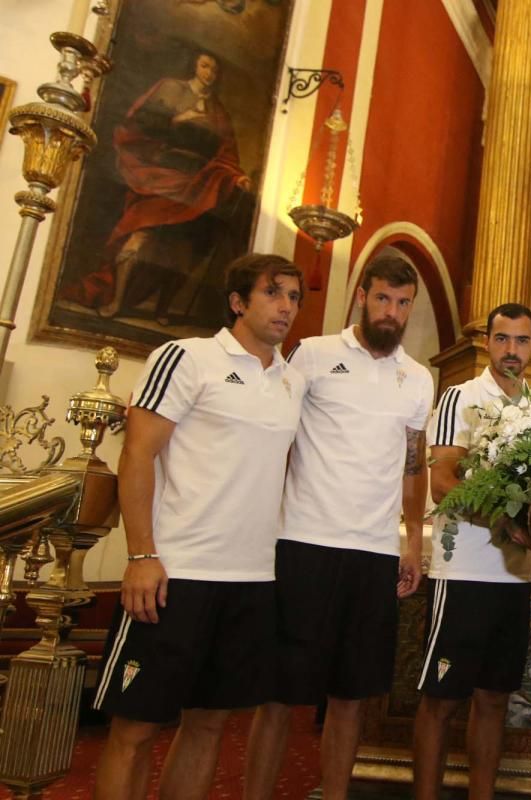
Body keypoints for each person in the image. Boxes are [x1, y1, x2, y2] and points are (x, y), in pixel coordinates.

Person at [92, 253, 305, 800]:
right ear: (238, 301)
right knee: (135, 728)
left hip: (252, 579)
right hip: (175, 574)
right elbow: (136, 456)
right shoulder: (186, 357)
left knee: (209, 723)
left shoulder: (293, 381)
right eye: (273, 293)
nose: (286, 307)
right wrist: (141, 556)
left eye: (295, 297)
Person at [243, 254, 434, 800]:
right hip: (304, 544)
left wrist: (413, 541)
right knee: (280, 694)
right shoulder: (314, 354)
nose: (391, 312)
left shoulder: (418, 379)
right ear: (361, 297)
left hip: (373, 554)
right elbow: (274, 436)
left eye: (402, 303)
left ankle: (333, 794)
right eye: (382, 299)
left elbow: (413, 466)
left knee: (353, 696)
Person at [413, 303, 531, 800]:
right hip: (463, 568)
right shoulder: (459, 398)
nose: (512, 350)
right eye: (503, 339)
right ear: (487, 341)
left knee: (493, 699)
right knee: (441, 700)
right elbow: (443, 482)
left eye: (522, 340)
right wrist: (504, 520)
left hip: (514, 575)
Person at [64, 50, 252, 326]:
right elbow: (140, 123)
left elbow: (226, 152)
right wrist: (177, 120)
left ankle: (162, 308)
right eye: (204, 65)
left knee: (181, 249)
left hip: (196, 184)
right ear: (194, 66)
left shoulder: (218, 111)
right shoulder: (170, 88)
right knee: (140, 234)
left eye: (214, 69)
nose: (209, 73)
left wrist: (237, 176)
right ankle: (115, 299)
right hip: (161, 174)